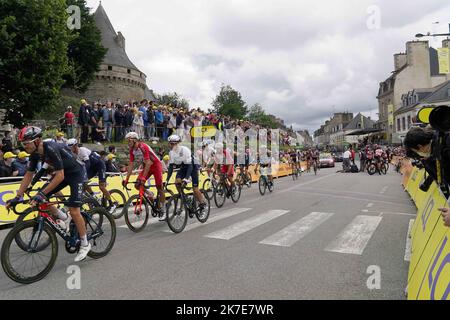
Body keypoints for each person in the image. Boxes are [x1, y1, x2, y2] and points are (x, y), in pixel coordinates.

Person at [7, 126, 91, 262]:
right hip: (62, 175)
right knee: (42, 199)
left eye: (26, 143)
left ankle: (85, 243)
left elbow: (60, 176)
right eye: (23, 143)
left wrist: (41, 193)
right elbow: (28, 175)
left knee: (74, 210)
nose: (24, 146)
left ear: (37, 140)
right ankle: (63, 217)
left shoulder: (51, 147)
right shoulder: (35, 154)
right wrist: (17, 196)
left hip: (75, 175)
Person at [122, 132, 166, 220]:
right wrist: (127, 179)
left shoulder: (143, 146)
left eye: (129, 141)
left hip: (156, 165)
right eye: (127, 141)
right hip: (147, 166)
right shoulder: (132, 150)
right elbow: (130, 165)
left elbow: (149, 162)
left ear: (134, 140)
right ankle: (150, 194)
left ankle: (163, 208)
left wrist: (143, 178)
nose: (128, 143)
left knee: (159, 187)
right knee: (137, 185)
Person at [67, 139, 116, 213]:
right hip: (92, 167)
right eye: (69, 148)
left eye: (71, 147)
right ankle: (93, 196)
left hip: (100, 165)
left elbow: (87, 163)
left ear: (75, 146)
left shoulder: (82, 150)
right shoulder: (73, 154)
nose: (70, 149)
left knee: (101, 186)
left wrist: (83, 174)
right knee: (83, 183)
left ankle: (112, 205)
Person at [166, 135, 207, 211]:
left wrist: (186, 179)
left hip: (193, 167)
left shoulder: (185, 150)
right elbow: (171, 167)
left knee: (195, 189)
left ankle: (202, 203)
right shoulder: (171, 153)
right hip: (184, 167)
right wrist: (167, 180)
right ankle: (185, 197)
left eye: (173, 143)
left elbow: (190, 167)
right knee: (177, 182)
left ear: (178, 143)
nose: (171, 145)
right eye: (170, 143)